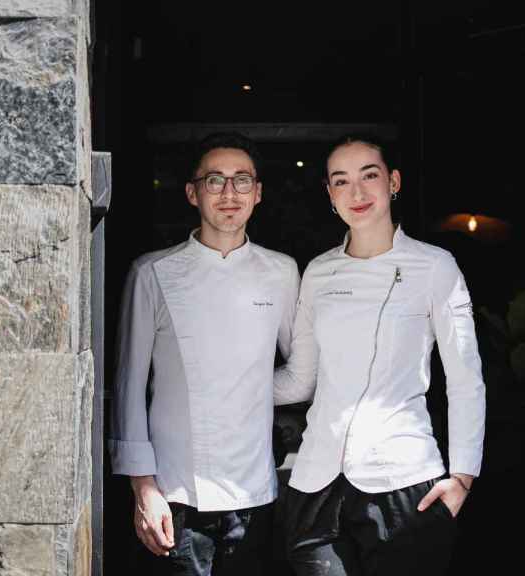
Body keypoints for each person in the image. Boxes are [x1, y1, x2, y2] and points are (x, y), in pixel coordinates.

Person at [274, 135, 486, 575]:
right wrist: (220, 386)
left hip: (403, 481)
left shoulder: (435, 266)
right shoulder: (318, 271)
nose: (357, 192)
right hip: (315, 484)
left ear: (393, 182)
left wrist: (463, 476)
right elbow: (300, 380)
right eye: (341, 181)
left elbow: (466, 378)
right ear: (330, 195)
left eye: (369, 175)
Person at [109, 132, 299, 575]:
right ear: (193, 193)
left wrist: (244, 388)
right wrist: (144, 489)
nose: (229, 193)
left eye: (242, 180)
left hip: (257, 494)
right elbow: (129, 386)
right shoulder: (152, 272)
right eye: (215, 181)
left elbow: (303, 370)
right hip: (175, 497)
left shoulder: (282, 271)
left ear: (259, 193)